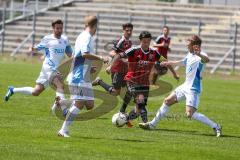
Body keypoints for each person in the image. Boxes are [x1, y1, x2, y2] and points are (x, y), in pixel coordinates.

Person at [139, 35, 222, 137]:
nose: (186, 44)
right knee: (167, 101)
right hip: (185, 86)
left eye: (188, 42)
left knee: (189, 114)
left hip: (193, 88)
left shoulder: (201, 55)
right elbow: (183, 62)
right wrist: (168, 63)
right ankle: (152, 124)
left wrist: (199, 54)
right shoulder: (190, 54)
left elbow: (207, 60)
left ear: (194, 44)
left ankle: (216, 126)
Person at [108, 31, 178, 124]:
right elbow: (118, 55)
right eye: (144, 41)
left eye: (148, 41)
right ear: (140, 41)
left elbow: (166, 62)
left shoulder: (154, 53)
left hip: (144, 83)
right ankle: (146, 123)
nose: (146, 43)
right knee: (140, 101)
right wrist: (111, 66)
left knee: (137, 111)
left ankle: (124, 118)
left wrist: (174, 73)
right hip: (132, 80)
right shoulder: (134, 50)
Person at [4, 19, 73, 114]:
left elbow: (70, 53)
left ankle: (12, 90)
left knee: (36, 92)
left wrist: (77, 59)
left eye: (61, 28)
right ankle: (64, 109)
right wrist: (32, 49)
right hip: (48, 67)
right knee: (59, 85)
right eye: (57, 28)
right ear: (53, 28)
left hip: (55, 68)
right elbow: (38, 47)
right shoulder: (48, 39)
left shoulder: (65, 39)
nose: (59, 30)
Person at [58, 15, 108, 137]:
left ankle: (63, 103)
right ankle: (63, 130)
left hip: (84, 75)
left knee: (90, 105)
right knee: (79, 104)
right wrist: (101, 58)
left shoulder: (82, 35)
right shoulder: (87, 37)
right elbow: (85, 54)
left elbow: (77, 55)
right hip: (78, 76)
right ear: (94, 26)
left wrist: (88, 67)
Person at [92, 23, 133, 114]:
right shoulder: (121, 41)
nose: (129, 32)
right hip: (117, 70)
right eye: (127, 30)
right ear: (123, 30)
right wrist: (111, 65)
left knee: (130, 90)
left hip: (125, 71)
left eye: (130, 30)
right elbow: (111, 53)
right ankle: (99, 81)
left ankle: (122, 111)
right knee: (115, 92)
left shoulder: (129, 42)